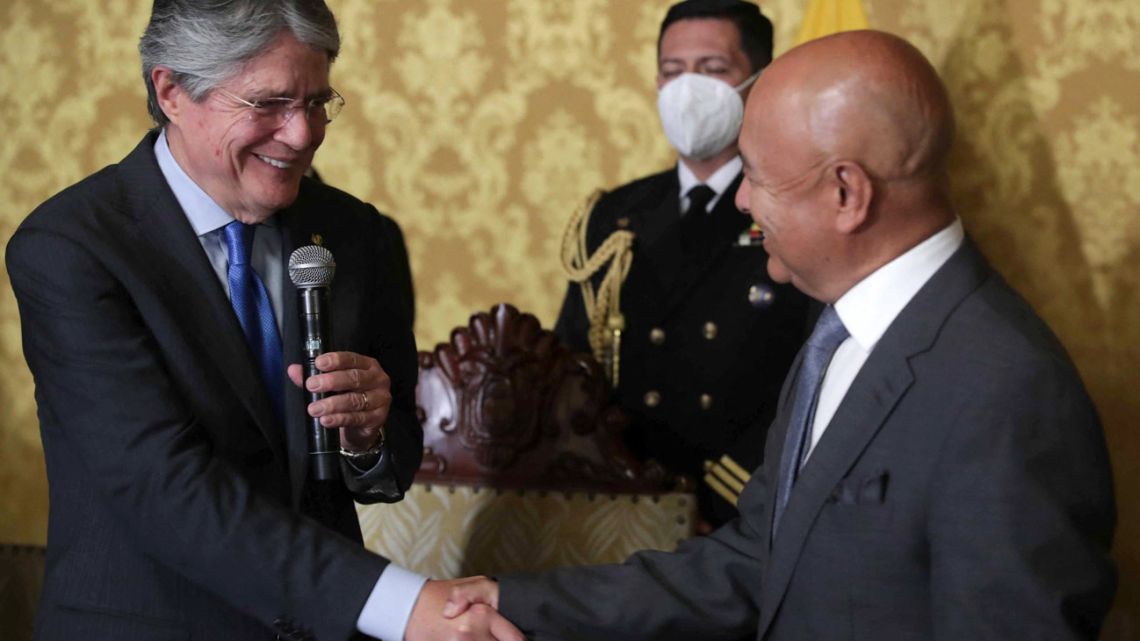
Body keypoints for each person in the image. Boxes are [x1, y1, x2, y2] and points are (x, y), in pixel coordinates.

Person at [437, 29, 1118, 640]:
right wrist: (518, 600)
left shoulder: (1006, 390)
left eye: (755, 175)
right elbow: (756, 559)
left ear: (846, 194)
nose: (739, 200)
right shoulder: (839, 329)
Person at [6, 1, 518, 640]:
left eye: (315, 103)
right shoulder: (73, 247)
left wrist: (366, 438)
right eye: (268, 104)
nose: (302, 134)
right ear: (171, 91)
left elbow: (388, 471)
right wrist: (400, 606)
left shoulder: (359, 235)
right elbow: (165, 487)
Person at [554, 0, 813, 527]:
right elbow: (571, 363)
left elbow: (817, 368)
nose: (689, 88)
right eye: (673, 72)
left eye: (714, 70)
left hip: (739, 511)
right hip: (619, 504)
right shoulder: (612, 217)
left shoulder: (798, 208)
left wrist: (732, 497)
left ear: (759, 81)